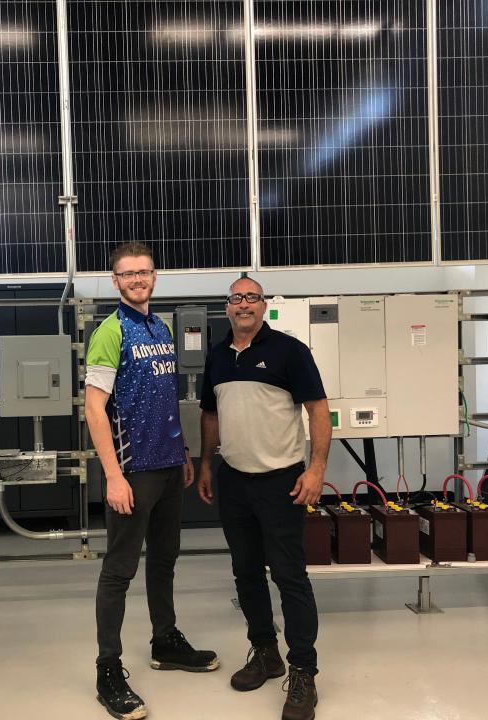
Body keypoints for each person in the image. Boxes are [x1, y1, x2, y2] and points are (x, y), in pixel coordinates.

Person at [84, 242, 219, 720]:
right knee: (119, 571)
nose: (136, 279)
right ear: (115, 280)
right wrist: (113, 476)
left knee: (164, 560)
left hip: (167, 467)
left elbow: (164, 399)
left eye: (143, 272)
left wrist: (181, 451)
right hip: (132, 471)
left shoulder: (161, 327)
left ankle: (165, 642)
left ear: (155, 276)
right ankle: (108, 670)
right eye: (127, 274)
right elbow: (94, 409)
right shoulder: (109, 331)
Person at [197, 277, 331, 720]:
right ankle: (265, 652)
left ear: (264, 305)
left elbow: (317, 410)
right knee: (246, 574)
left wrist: (315, 470)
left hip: (282, 483)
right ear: (227, 307)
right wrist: (204, 465)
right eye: (236, 298)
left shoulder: (290, 351)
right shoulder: (216, 357)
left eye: (251, 298)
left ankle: (303, 671)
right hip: (234, 481)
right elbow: (211, 415)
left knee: (290, 577)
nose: (244, 305)